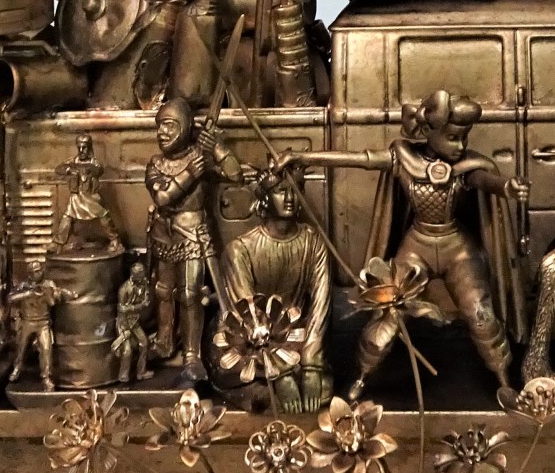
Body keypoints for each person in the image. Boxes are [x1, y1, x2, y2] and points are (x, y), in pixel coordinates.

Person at [306, 90, 525, 397]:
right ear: (429, 131)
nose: (460, 146)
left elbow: (484, 181)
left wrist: (506, 186)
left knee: (480, 314)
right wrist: (302, 158)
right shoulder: (404, 160)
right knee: (388, 314)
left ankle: (505, 381)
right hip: (416, 248)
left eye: (464, 138)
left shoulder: (466, 167)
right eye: (452, 138)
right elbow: (357, 159)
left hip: (456, 249)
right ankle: (362, 377)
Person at [218, 162, 331, 413]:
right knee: (261, 392)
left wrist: (311, 365)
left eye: (295, 189)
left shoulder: (313, 242)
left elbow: (321, 308)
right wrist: (280, 373)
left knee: (321, 389)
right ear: (266, 197)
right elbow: (247, 317)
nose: (290, 198)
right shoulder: (240, 250)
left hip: (297, 339)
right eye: (281, 191)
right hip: (250, 346)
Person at [145, 98, 241, 382]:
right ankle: (164, 341)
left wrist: (218, 149)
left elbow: (235, 175)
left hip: (193, 232)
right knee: (163, 290)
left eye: (169, 126)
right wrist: (189, 174)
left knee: (190, 295)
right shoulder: (157, 164)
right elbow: (162, 198)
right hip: (164, 233)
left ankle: (191, 355)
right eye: (159, 126)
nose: (162, 132)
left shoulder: (200, 157)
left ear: (186, 128)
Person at [7, 273, 62, 390]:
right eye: (33, 272)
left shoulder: (48, 284)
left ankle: (46, 377)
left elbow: (53, 302)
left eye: (38, 271)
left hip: (43, 323)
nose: (36, 274)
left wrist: (48, 293)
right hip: (27, 322)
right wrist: (28, 294)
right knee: (21, 348)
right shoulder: (24, 286)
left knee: (46, 349)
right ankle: (17, 368)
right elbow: (10, 298)